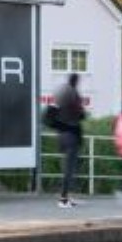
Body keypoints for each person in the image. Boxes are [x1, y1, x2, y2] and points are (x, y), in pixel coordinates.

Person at [52, 73, 86, 208]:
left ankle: (66, 196)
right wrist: (81, 112)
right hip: (71, 136)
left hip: (62, 135)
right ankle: (63, 199)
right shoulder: (73, 95)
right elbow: (80, 114)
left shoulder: (63, 94)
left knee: (68, 167)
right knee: (69, 169)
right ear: (75, 81)